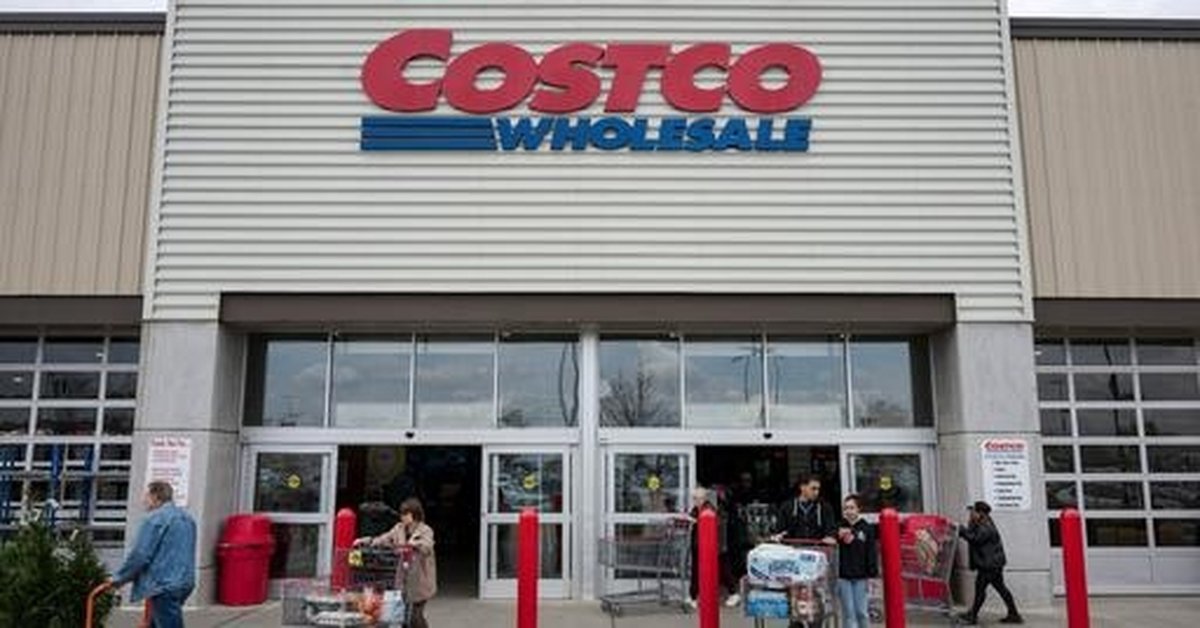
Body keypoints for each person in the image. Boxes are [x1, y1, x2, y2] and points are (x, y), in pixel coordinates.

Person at [110, 481, 197, 628]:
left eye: (147, 495)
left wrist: (119, 578)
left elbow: (140, 555)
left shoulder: (155, 519)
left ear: (155, 496)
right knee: (156, 622)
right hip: (184, 581)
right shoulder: (187, 518)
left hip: (162, 584)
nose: (144, 500)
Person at [356, 498, 438, 628]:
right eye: (402, 514)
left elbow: (427, 546)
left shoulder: (425, 530)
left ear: (414, 514)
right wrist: (366, 541)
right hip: (404, 578)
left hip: (420, 580)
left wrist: (414, 544)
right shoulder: (399, 528)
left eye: (406, 514)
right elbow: (384, 539)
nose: (402, 517)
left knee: (415, 616)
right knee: (402, 615)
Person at [958, 501, 1023, 625]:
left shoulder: (986, 527)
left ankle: (973, 616)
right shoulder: (982, 522)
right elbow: (973, 533)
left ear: (980, 513)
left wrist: (961, 530)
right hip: (993, 563)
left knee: (980, 590)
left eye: (973, 511)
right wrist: (969, 524)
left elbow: (975, 539)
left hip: (989, 565)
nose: (971, 513)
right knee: (1001, 589)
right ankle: (1014, 614)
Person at [687, 487, 741, 608]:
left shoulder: (710, 509)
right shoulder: (697, 509)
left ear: (703, 498)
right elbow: (693, 517)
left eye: (697, 498)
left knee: (722, 570)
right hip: (700, 545)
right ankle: (693, 596)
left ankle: (733, 593)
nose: (695, 501)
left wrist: (697, 521)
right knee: (697, 570)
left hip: (714, 546)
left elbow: (715, 524)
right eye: (694, 498)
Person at [836, 495, 878, 628]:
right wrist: (837, 536)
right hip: (843, 576)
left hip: (861, 576)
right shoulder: (838, 527)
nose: (848, 511)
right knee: (849, 613)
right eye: (846, 508)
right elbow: (830, 541)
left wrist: (872, 574)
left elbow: (871, 552)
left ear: (859, 509)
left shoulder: (867, 528)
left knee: (861, 612)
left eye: (851, 508)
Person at [772, 474, 837, 544]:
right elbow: (780, 530)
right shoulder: (787, 507)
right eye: (813, 489)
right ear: (802, 487)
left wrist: (830, 537)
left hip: (817, 548)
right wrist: (780, 535)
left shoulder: (825, 508)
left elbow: (831, 530)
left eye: (818, 489)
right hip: (793, 548)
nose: (816, 493)